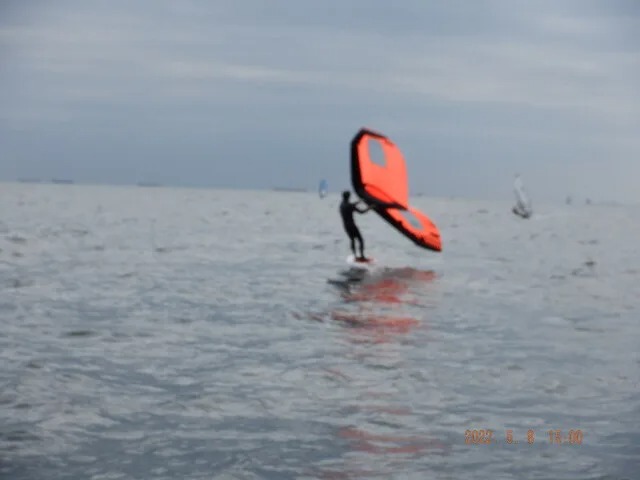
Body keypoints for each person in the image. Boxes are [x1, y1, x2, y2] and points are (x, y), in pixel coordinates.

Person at [340, 190, 371, 260]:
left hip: (346, 226)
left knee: (352, 240)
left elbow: (351, 205)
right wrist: (370, 207)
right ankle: (362, 256)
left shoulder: (341, 205)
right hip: (352, 225)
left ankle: (355, 256)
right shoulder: (350, 206)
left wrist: (359, 201)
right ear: (349, 197)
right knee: (360, 240)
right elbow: (362, 212)